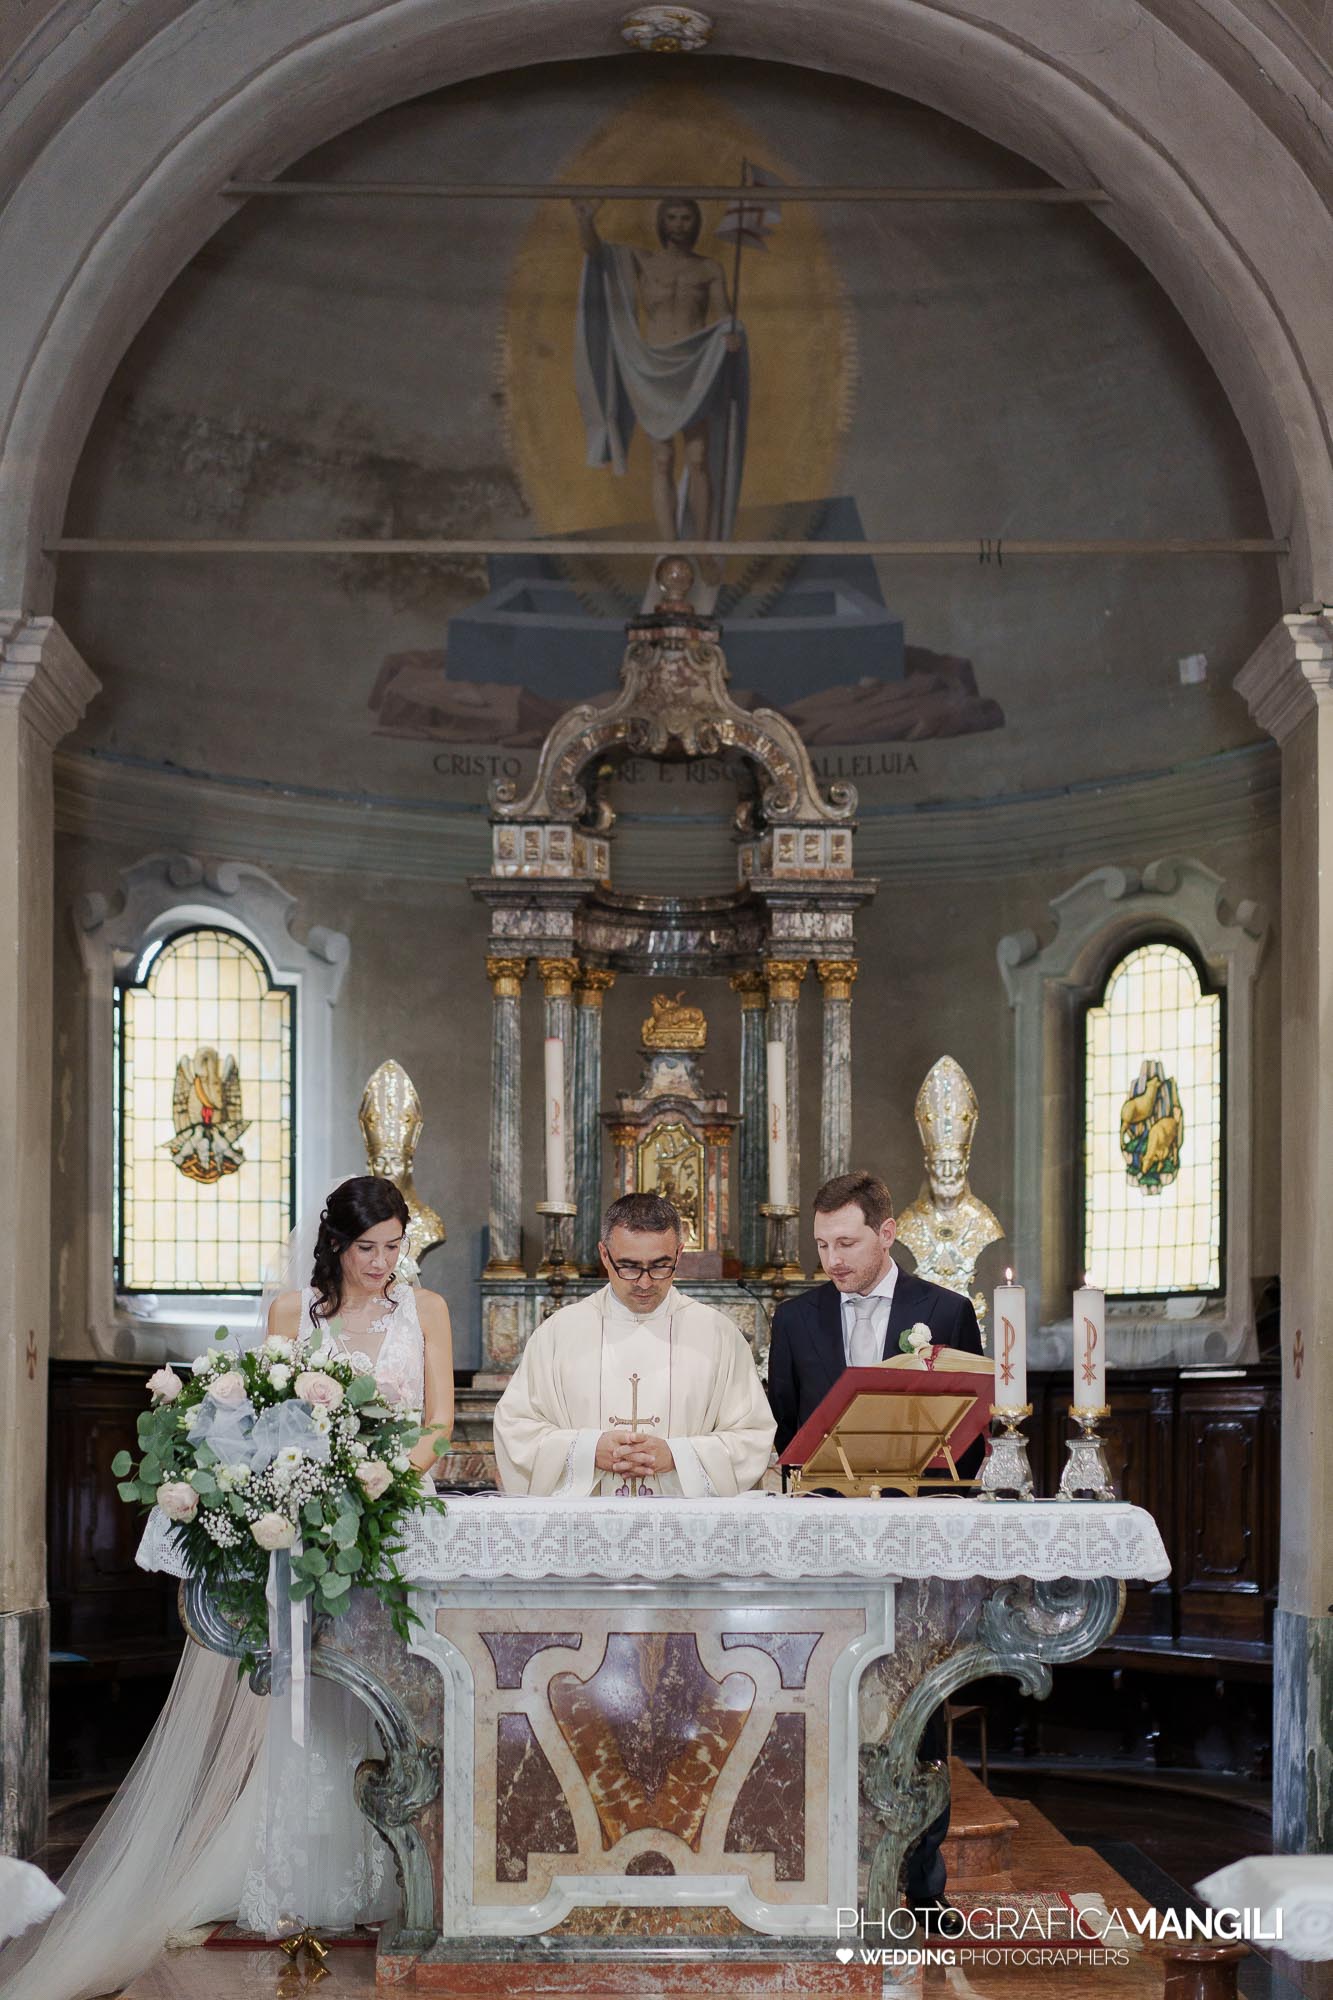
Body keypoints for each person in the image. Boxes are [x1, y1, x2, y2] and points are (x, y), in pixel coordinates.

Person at [0, 1176, 453, 2000]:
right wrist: (311, 1492)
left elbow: (439, 1422)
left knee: (389, 1699)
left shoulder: (425, 1312)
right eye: (368, 1249)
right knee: (303, 1696)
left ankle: (392, 1870)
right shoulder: (293, 1316)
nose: (384, 1264)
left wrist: (379, 1481)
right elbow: (254, 1427)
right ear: (335, 1248)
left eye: (395, 1247)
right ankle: (292, 1867)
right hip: (307, 1532)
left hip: (390, 1526)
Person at [765, 1169, 984, 1917]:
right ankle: (824, 1880)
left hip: (913, 1540)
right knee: (820, 1705)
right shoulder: (795, 1320)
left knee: (917, 1717)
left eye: (847, 1242)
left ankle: (922, 1889)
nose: (832, 1258)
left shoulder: (945, 1312)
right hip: (824, 1543)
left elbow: (972, 1440)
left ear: (887, 1233)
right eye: (822, 1244)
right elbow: (785, 1434)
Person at [493, 1191, 774, 1496]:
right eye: (627, 1266)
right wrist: (586, 1451)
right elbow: (516, 1430)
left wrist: (678, 1456)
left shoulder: (718, 1335)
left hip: (686, 1529)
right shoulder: (559, 1334)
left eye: (660, 1265)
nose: (644, 1282)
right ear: (604, 1255)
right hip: (586, 1527)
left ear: (679, 1254)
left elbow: (752, 1436)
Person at [572, 197, 748, 574]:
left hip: (695, 367)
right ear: (662, 223)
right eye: (672, 217)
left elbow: (725, 315)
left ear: (696, 222)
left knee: (698, 461)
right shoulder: (643, 261)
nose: (679, 224)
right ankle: (670, 550)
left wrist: (734, 334)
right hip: (652, 368)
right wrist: (585, 220)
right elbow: (596, 253)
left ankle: (702, 548)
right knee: (663, 459)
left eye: (686, 218)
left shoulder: (710, 268)